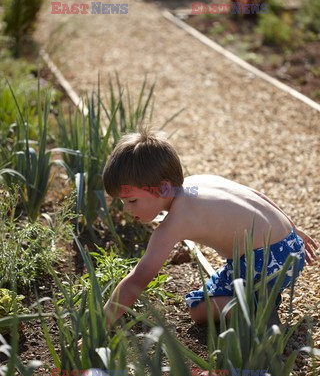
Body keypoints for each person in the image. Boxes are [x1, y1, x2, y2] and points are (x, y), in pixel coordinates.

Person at [102, 129, 317, 326]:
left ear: (163, 188)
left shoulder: (174, 224)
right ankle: (261, 296)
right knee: (213, 291)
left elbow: (137, 280)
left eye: (131, 201)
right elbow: (256, 196)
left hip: (266, 263)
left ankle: (254, 310)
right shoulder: (198, 182)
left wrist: (101, 323)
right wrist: (292, 228)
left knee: (197, 308)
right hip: (290, 247)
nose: (126, 209)